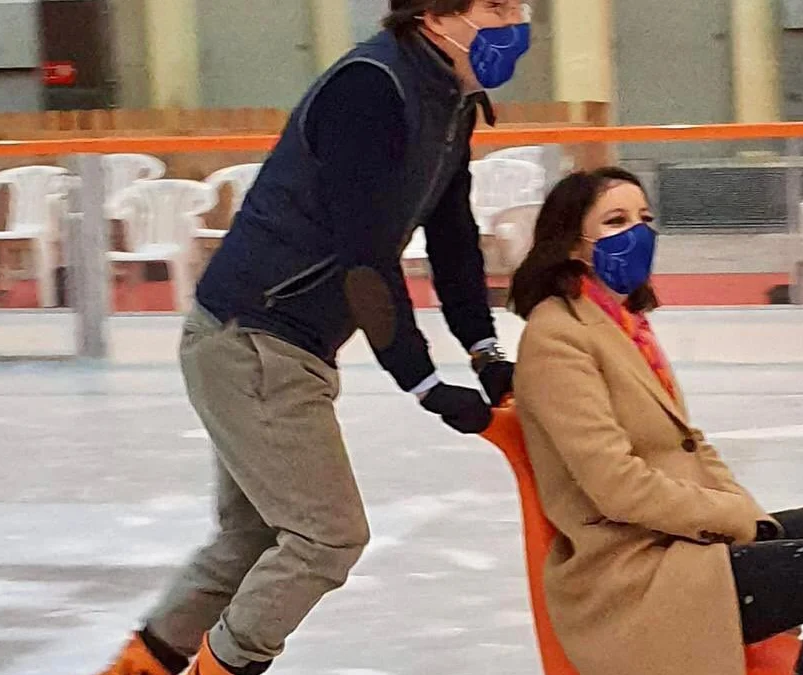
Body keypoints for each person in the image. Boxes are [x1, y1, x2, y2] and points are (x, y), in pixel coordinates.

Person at [98, 2, 530, 674]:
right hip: (254, 337)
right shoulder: (372, 87)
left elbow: (451, 237)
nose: (517, 19)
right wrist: (421, 381)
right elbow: (366, 258)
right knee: (326, 536)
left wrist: (485, 350)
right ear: (436, 14)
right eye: (498, 5)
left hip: (272, 341)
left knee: (250, 538)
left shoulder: (451, 99)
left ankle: (139, 665)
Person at [509, 167, 803, 675]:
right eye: (616, 221)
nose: (638, 233)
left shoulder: (626, 327)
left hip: (683, 543)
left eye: (644, 218)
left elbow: (691, 446)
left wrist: (749, 516)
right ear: (572, 243)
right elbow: (616, 486)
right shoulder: (557, 339)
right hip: (633, 573)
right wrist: (732, 522)